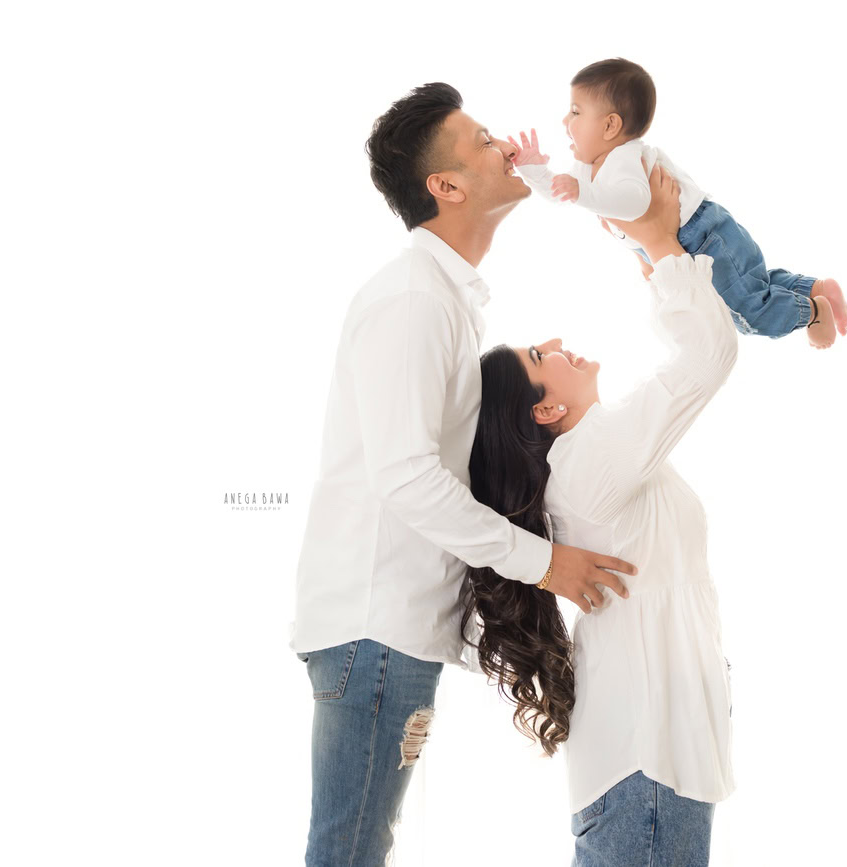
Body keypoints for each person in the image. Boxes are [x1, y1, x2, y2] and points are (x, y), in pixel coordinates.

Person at [290, 82, 637, 867]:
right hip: (374, 625)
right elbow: (407, 478)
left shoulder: (442, 299)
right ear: (444, 187)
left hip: (385, 625)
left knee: (354, 848)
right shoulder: (415, 299)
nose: (505, 146)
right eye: (484, 140)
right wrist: (547, 564)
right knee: (348, 851)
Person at [464, 164, 737, 865]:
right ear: (546, 410)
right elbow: (707, 354)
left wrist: (654, 250)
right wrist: (658, 239)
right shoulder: (587, 465)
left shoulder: (593, 462)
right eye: (538, 354)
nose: (554, 340)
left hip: (651, 766)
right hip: (647, 769)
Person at [510, 56, 847, 349]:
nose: (565, 123)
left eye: (575, 112)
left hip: (699, 235)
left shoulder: (624, 157)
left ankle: (814, 312)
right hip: (704, 233)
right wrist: (534, 172)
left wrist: (582, 192)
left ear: (611, 125)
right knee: (753, 283)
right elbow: (562, 193)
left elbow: (635, 203)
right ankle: (817, 288)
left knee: (747, 313)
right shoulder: (588, 166)